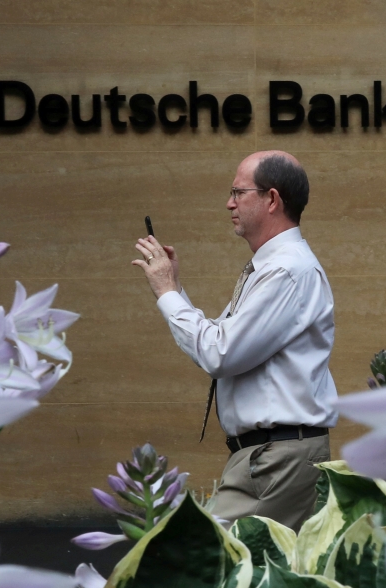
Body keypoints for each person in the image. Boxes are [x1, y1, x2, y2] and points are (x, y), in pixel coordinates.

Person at [131, 151, 337, 531]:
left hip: (275, 460)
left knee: (200, 562)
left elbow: (218, 353)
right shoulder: (278, 267)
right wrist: (175, 289)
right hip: (272, 456)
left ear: (271, 199)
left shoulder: (285, 271)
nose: (229, 203)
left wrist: (165, 292)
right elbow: (222, 342)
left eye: (238, 192)